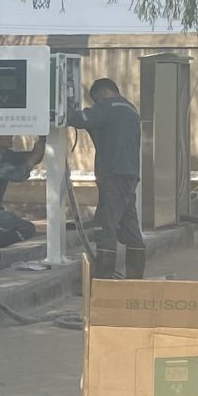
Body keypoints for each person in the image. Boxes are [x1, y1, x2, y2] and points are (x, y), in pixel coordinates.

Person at [69, 76, 146, 279]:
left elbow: (80, 119)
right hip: (129, 176)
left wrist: (60, 109)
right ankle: (135, 281)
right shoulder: (130, 109)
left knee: (105, 226)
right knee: (130, 226)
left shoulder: (107, 107)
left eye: (95, 101)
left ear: (103, 93)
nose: (96, 104)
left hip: (113, 175)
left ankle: (103, 282)